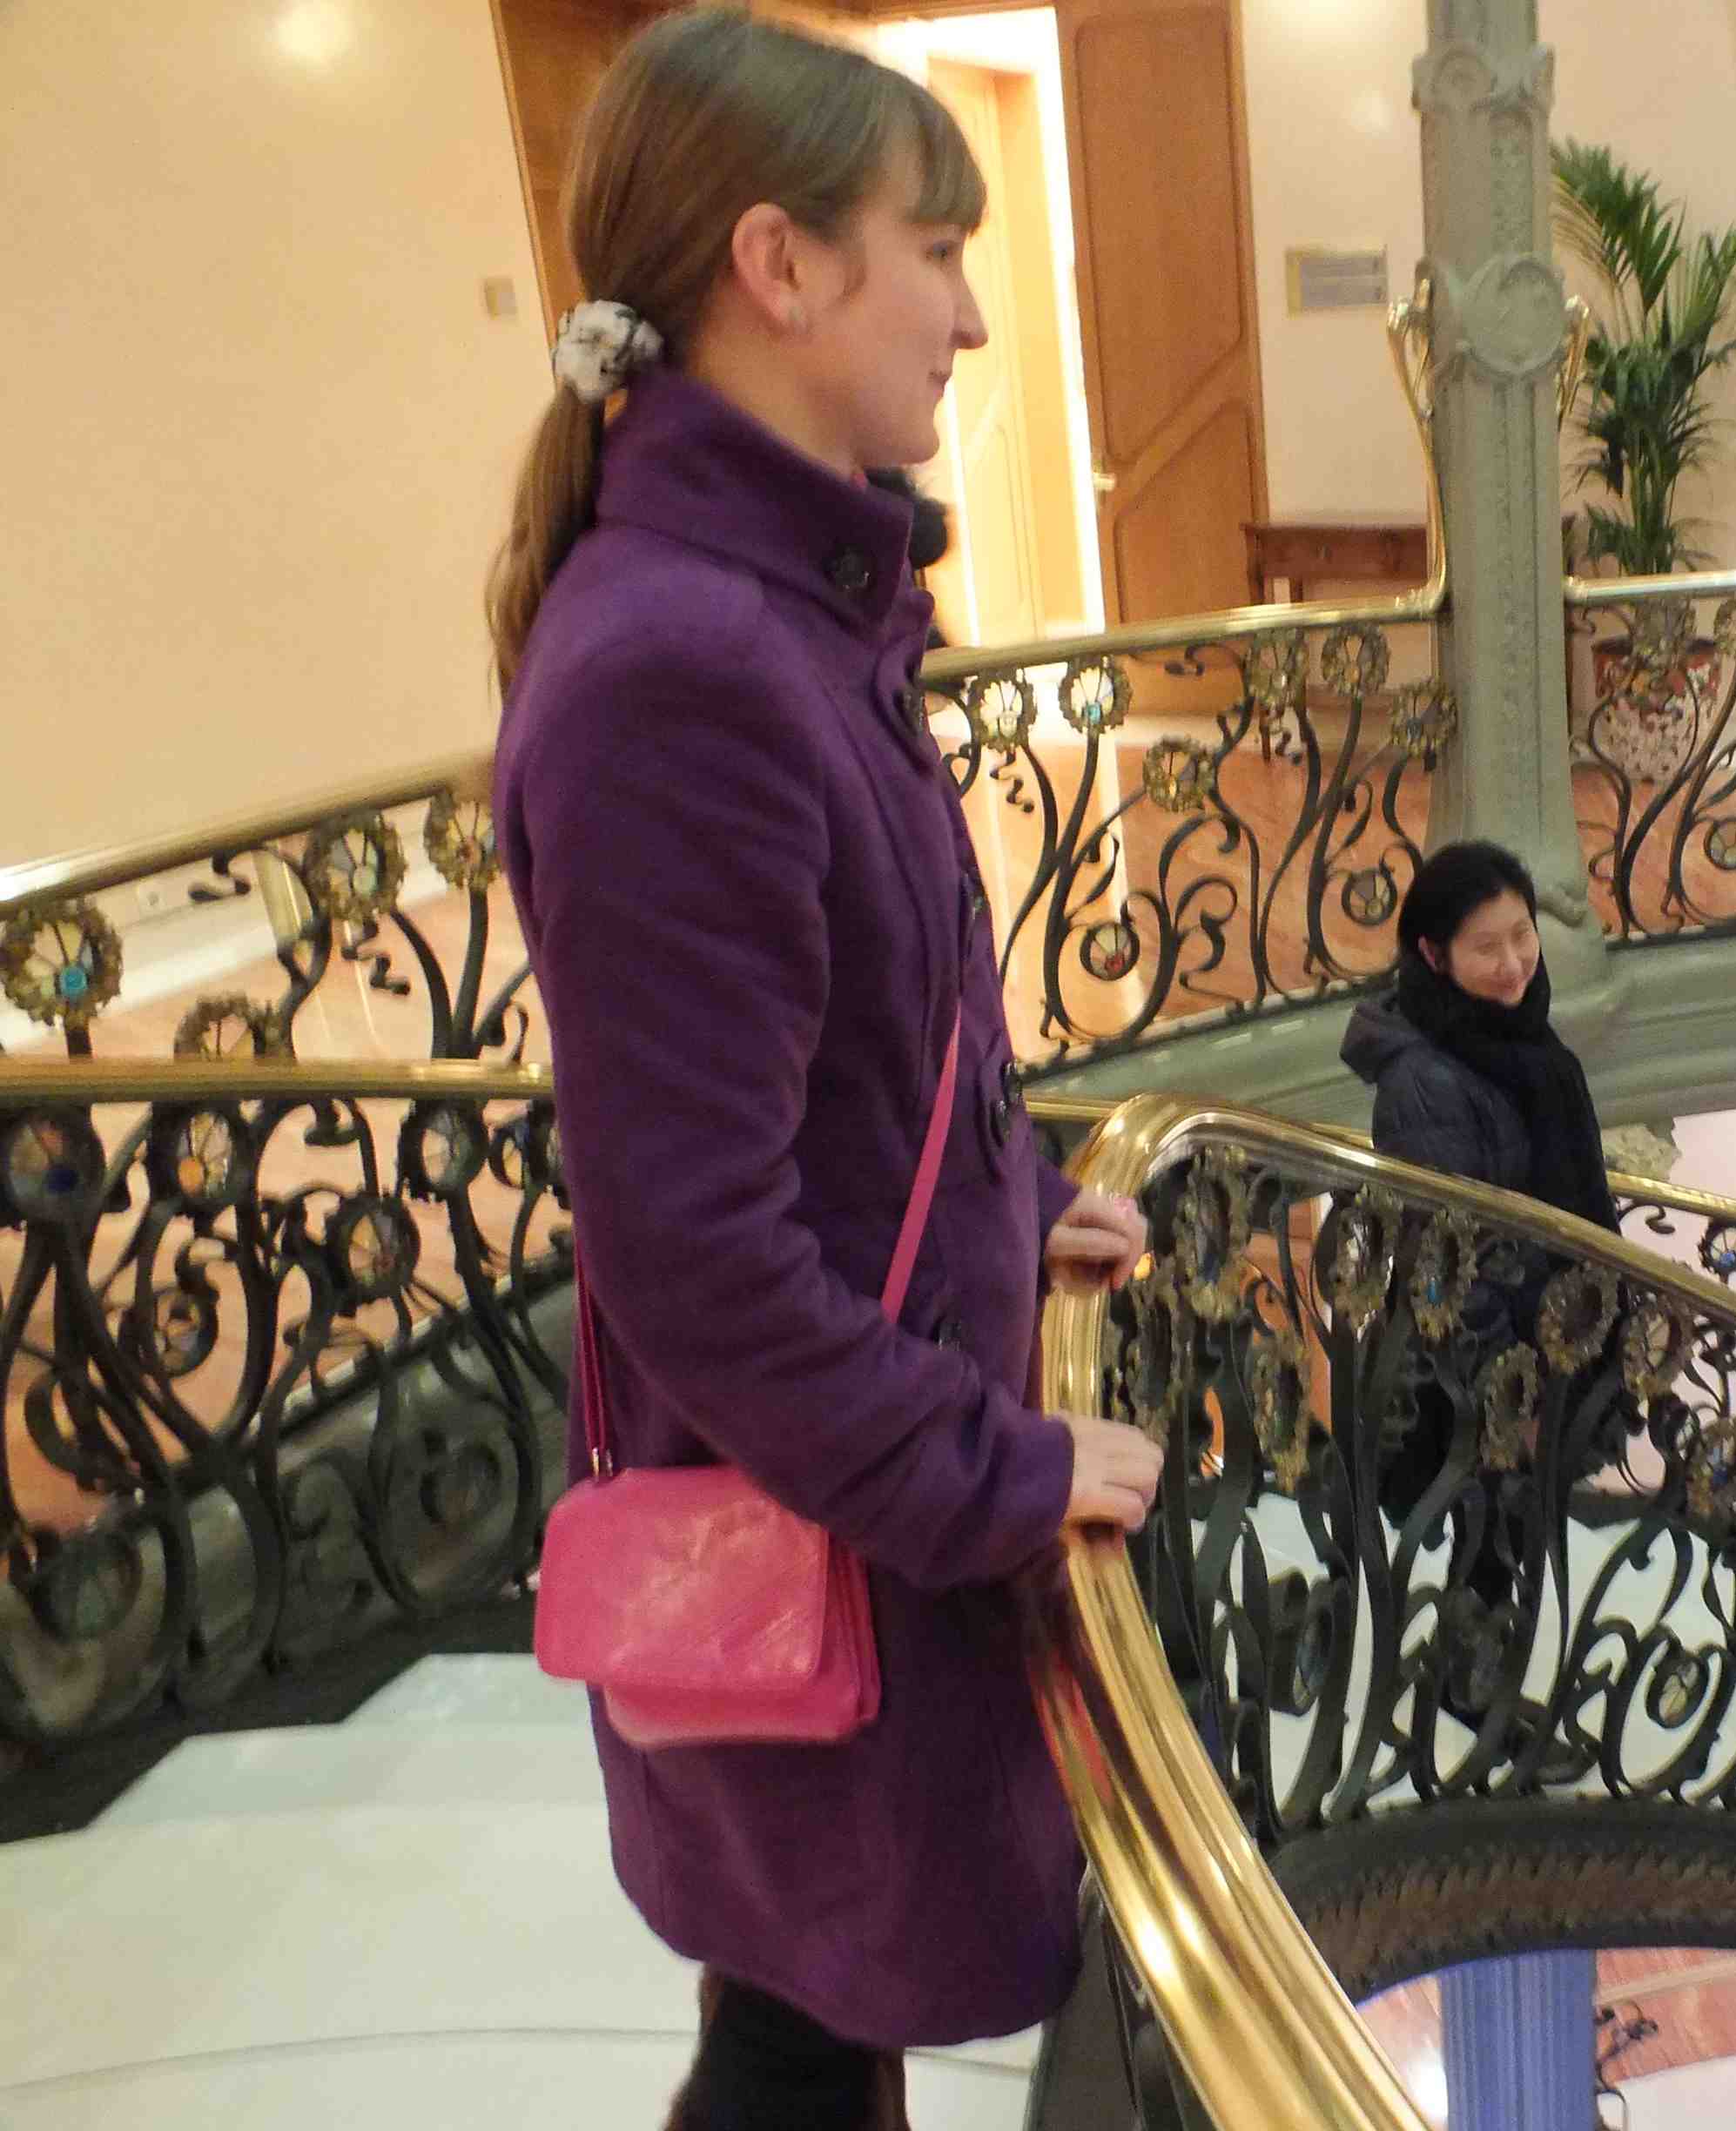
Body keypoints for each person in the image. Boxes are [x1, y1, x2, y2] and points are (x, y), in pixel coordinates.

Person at [485, 10, 1162, 2128]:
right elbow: (694, 1249)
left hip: (859, 1501)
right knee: (794, 2040)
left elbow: (870, 1056)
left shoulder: (787, 611)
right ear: (778, 267)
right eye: (933, 250)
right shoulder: (684, 664)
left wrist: (1018, 1203)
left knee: (798, 2027)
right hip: (843, 1532)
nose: (972, 314)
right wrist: (1001, 1477)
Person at [1340, 844, 1622, 1713]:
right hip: (1481, 1367)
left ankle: (1479, 1691)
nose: (1513, 964)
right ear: (1433, 955)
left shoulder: (1514, 1038)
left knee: (1511, 1537)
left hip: (1539, 1339)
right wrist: (1513, 1396)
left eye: (1522, 936)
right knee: (1489, 1541)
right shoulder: (1424, 1081)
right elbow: (1452, 1261)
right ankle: (1469, 1698)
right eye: (1485, 947)